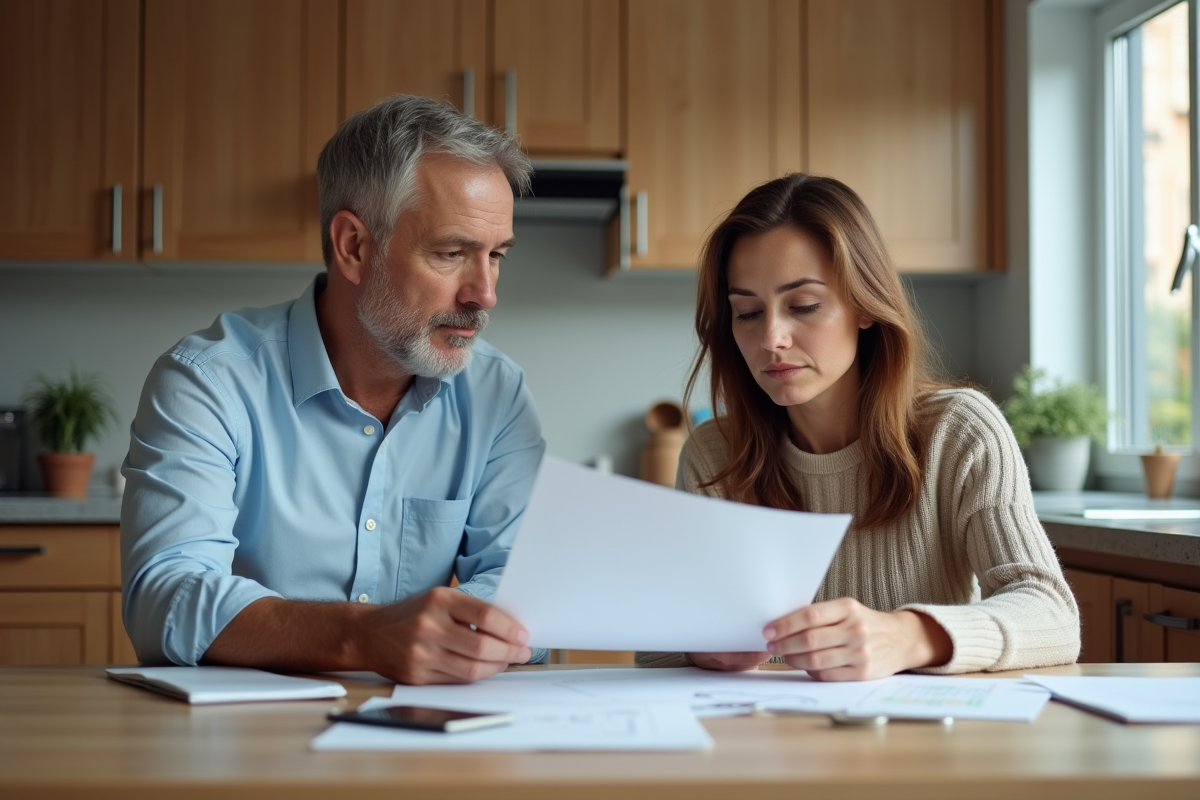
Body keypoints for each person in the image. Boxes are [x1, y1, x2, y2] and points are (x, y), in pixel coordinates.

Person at [121, 95, 545, 685]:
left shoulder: (497, 395)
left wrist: (464, 632)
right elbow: (165, 598)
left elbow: (527, 588)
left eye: (496, 256)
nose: (485, 294)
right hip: (245, 731)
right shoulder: (208, 381)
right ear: (354, 246)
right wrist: (364, 637)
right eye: (452, 254)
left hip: (426, 725)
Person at [639, 174, 1080, 679]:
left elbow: (1053, 615)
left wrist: (909, 637)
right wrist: (697, 649)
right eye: (748, 312)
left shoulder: (961, 432)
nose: (771, 338)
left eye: (804, 306)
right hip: (767, 730)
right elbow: (654, 657)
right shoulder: (714, 452)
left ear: (865, 306)